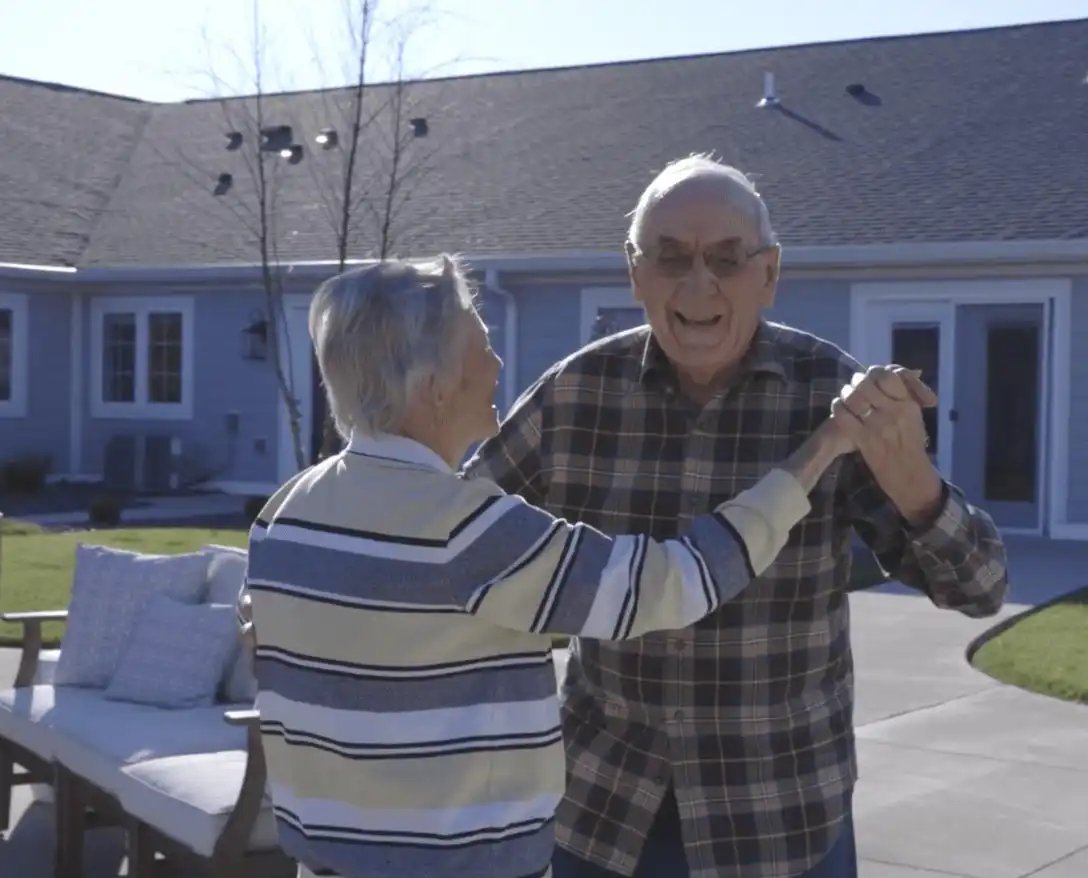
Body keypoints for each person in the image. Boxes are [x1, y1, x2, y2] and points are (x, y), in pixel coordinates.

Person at [242, 256, 892, 878]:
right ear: (434, 385)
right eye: (481, 347)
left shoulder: (284, 515)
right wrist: (818, 453)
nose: (497, 364)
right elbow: (676, 583)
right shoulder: (467, 532)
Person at [464, 155, 1010, 878]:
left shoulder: (832, 401)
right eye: (670, 258)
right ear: (634, 273)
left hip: (779, 819)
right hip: (603, 813)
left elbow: (981, 588)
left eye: (726, 259)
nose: (699, 285)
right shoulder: (575, 395)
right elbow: (456, 537)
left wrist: (913, 480)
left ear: (769, 274)